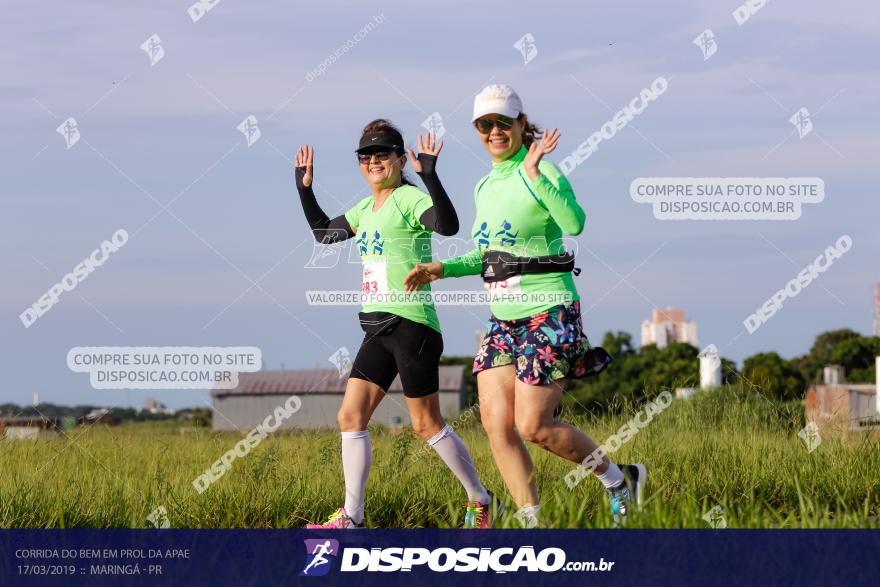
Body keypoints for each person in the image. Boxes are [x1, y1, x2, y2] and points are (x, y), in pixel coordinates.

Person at [404, 85, 647, 527]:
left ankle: (619, 479)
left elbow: (575, 223)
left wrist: (534, 172)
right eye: (484, 125)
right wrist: (442, 267)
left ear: (520, 124)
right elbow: (486, 255)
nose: (494, 131)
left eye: (503, 122)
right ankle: (530, 523)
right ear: (477, 131)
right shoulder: (484, 185)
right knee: (497, 426)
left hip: (549, 309)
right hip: (503, 318)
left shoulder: (543, 170)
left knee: (534, 425)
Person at [296, 119, 495, 529]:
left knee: (425, 424)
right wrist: (305, 189)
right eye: (366, 156)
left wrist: (431, 177)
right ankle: (352, 517)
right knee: (350, 418)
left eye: (382, 154)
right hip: (377, 328)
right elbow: (324, 235)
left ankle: (480, 499)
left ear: (400, 159)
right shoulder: (365, 208)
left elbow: (447, 225)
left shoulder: (408, 198)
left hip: (412, 325)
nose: (373, 161)